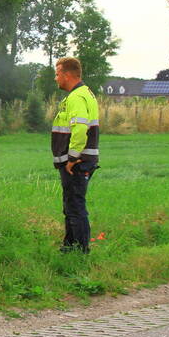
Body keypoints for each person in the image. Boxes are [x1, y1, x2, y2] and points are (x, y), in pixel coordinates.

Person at [52, 57, 100, 253]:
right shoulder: (84, 93)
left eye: (57, 74)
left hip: (77, 162)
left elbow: (80, 128)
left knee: (75, 206)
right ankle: (69, 246)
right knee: (71, 204)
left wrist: (72, 158)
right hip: (80, 160)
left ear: (67, 75)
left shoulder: (77, 97)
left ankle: (80, 250)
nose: (55, 78)